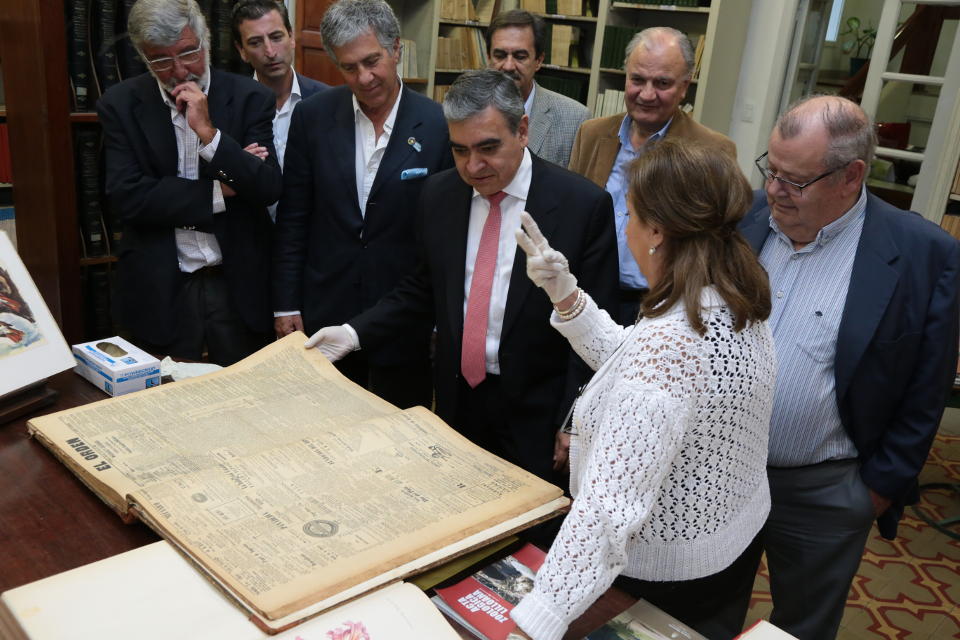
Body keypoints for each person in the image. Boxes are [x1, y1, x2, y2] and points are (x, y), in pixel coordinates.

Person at [509, 138, 776, 640]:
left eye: (629, 214)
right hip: (727, 545)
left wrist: (540, 617)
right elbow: (632, 357)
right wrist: (565, 293)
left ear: (656, 230)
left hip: (664, 577)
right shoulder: (728, 296)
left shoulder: (673, 337)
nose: (624, 227)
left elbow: (608, 508)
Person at [304, 69, 618, 483]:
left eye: (488, 148)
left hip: (537, 413)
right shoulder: (439, 195)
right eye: (459, 150)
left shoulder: (583, 205)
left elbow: (596, 328)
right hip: (457, 402)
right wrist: (353, 333)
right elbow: (422, 289)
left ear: (522, 129)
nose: (473, 166)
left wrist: (576, 416)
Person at [738, 95, 960, 640]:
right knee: (701, 608)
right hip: (724, 468)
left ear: (850, 175)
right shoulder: (747, 217)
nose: (773, 190)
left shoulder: (920, 253)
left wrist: (876, 489)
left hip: (827, 488)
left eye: (795, 180)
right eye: (771, 169)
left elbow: (926, 388)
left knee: (802, 627)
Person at [272, 0, 453, 408]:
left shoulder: (439, 126)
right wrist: (286, 304)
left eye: (373, 61)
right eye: (350, 67)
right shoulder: (313, 117)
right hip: (324, 309)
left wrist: (440, 319)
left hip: (404, 321)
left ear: (396, 50)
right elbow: (294, 218)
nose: (365, 77)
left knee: (399, 436)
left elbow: (441, 241)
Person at [98, 0, 281, 366]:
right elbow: (127, 197)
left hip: (236, 282)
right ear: (143, 57)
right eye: (161, 60)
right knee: (164, 404)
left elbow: (266, 188)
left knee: (244, 397)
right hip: (162, 284)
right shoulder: (119, 104)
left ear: (205, 41)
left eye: (188, 53)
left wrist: (209, 135)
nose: (179, 71)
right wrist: (221, 191)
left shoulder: (250, 98)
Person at [568, 27, 735, 326]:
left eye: (662, 83)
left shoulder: (712, 151)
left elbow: (713, 247)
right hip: (587, 297)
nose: (646, 94)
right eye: (637, 80)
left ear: (685, 87)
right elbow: (572, 216)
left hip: (662, 306)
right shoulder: (591, 134)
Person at [232, 0, 327, 220]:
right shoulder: (229, 107)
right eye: (255, 42)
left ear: (292, 37)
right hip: (252, 238)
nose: (270, 51)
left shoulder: (326, 102)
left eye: (276, 37)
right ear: (241, 51)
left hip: (311, 239)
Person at [485, 9, 589, 168]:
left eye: (520, 57)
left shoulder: (575, 119)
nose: (508, 66)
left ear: (539, 61)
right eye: (500, 55)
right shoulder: (466, 111)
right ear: (488, 58)